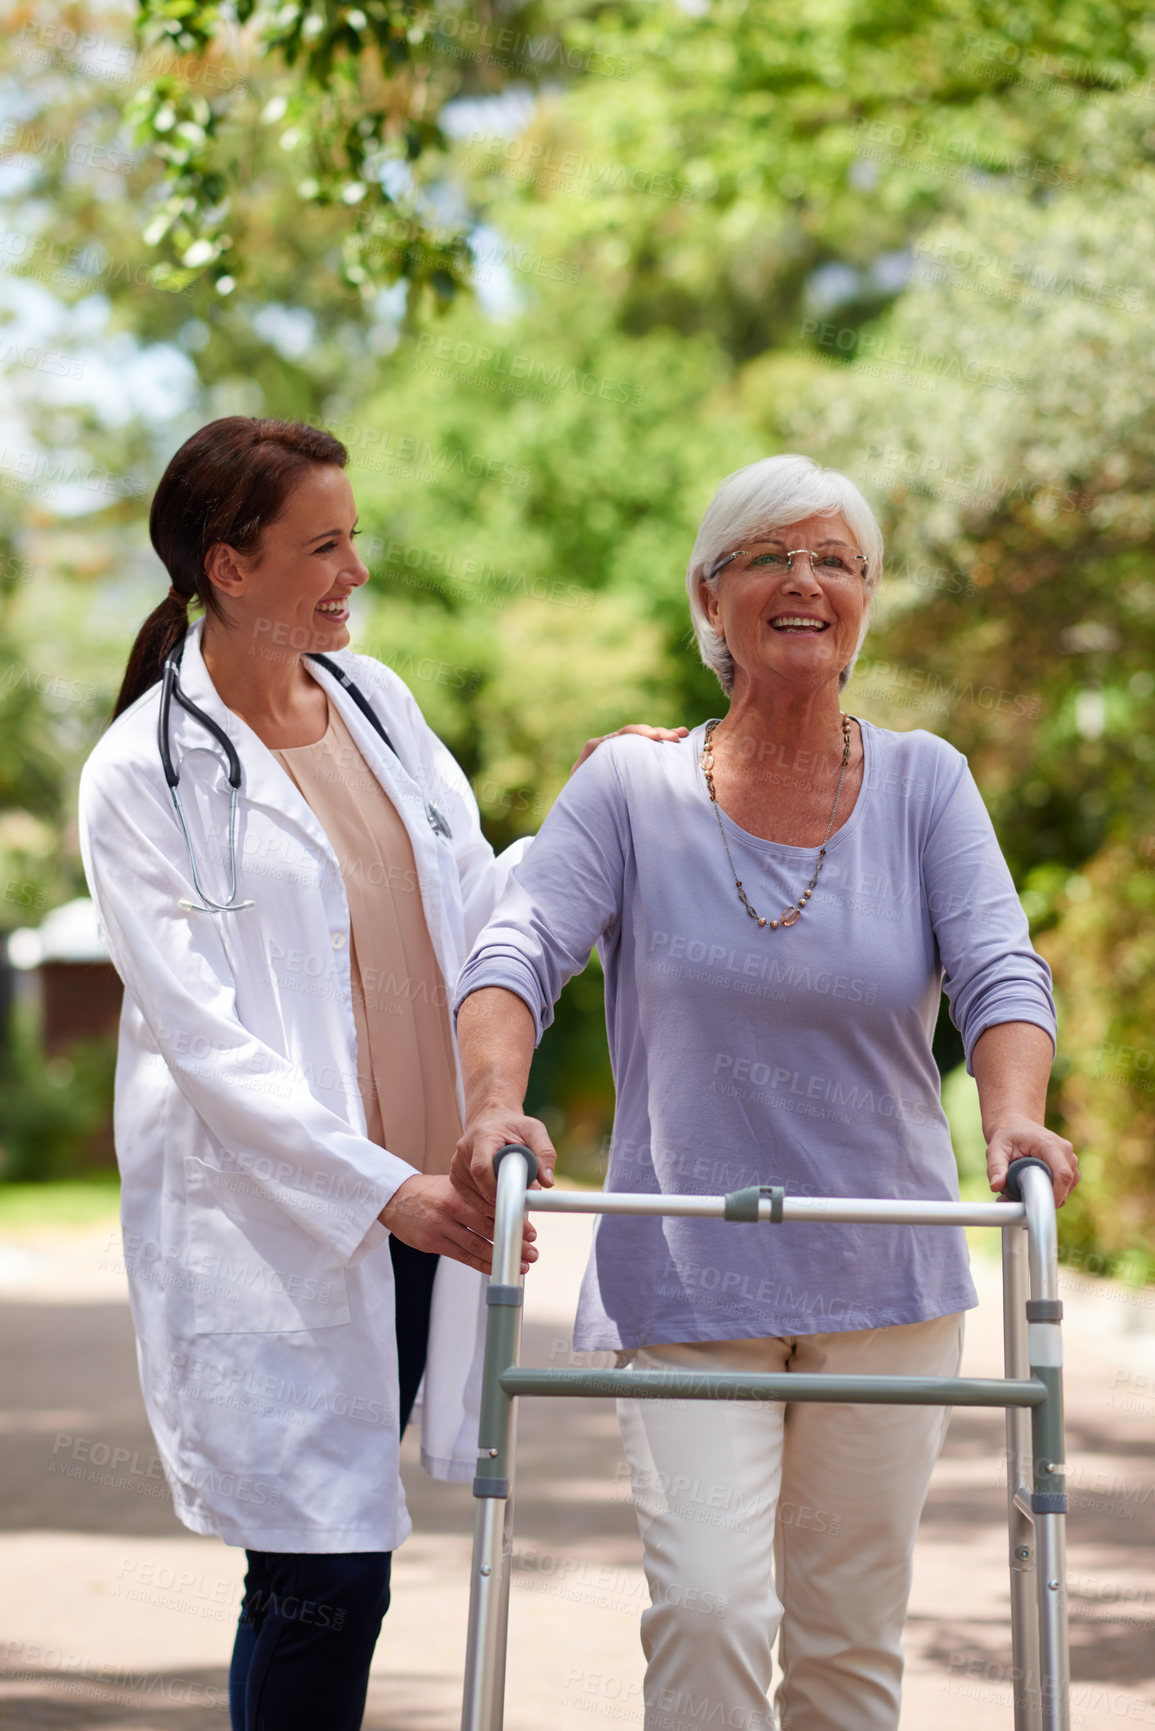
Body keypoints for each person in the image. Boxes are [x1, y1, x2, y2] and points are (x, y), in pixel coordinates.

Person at [451, 453, 1078, 1731]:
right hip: (689, 1276)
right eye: (769, 557)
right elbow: (514, 951)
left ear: (866, 601)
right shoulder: (628, 786)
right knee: (710, 1611)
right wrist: (491, 1103)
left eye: (836, 560)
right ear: (709, 594)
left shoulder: (924, 783)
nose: (805, 581)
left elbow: (1001, 970)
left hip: (886, 1277)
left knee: (849, 1647)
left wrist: (1013, 1112)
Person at [77, 415, 685, 1731]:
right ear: (229, 567)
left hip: (434, 1193)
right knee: (318, 1568)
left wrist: (585, 815)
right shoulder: (141, 775)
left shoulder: (376, 702)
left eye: (355, 535)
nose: (354, 567)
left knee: (348, 1564)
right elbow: (207, 1045)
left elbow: (476, 913)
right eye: (323, 544)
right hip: (297, 1223)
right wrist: (380, 1190)